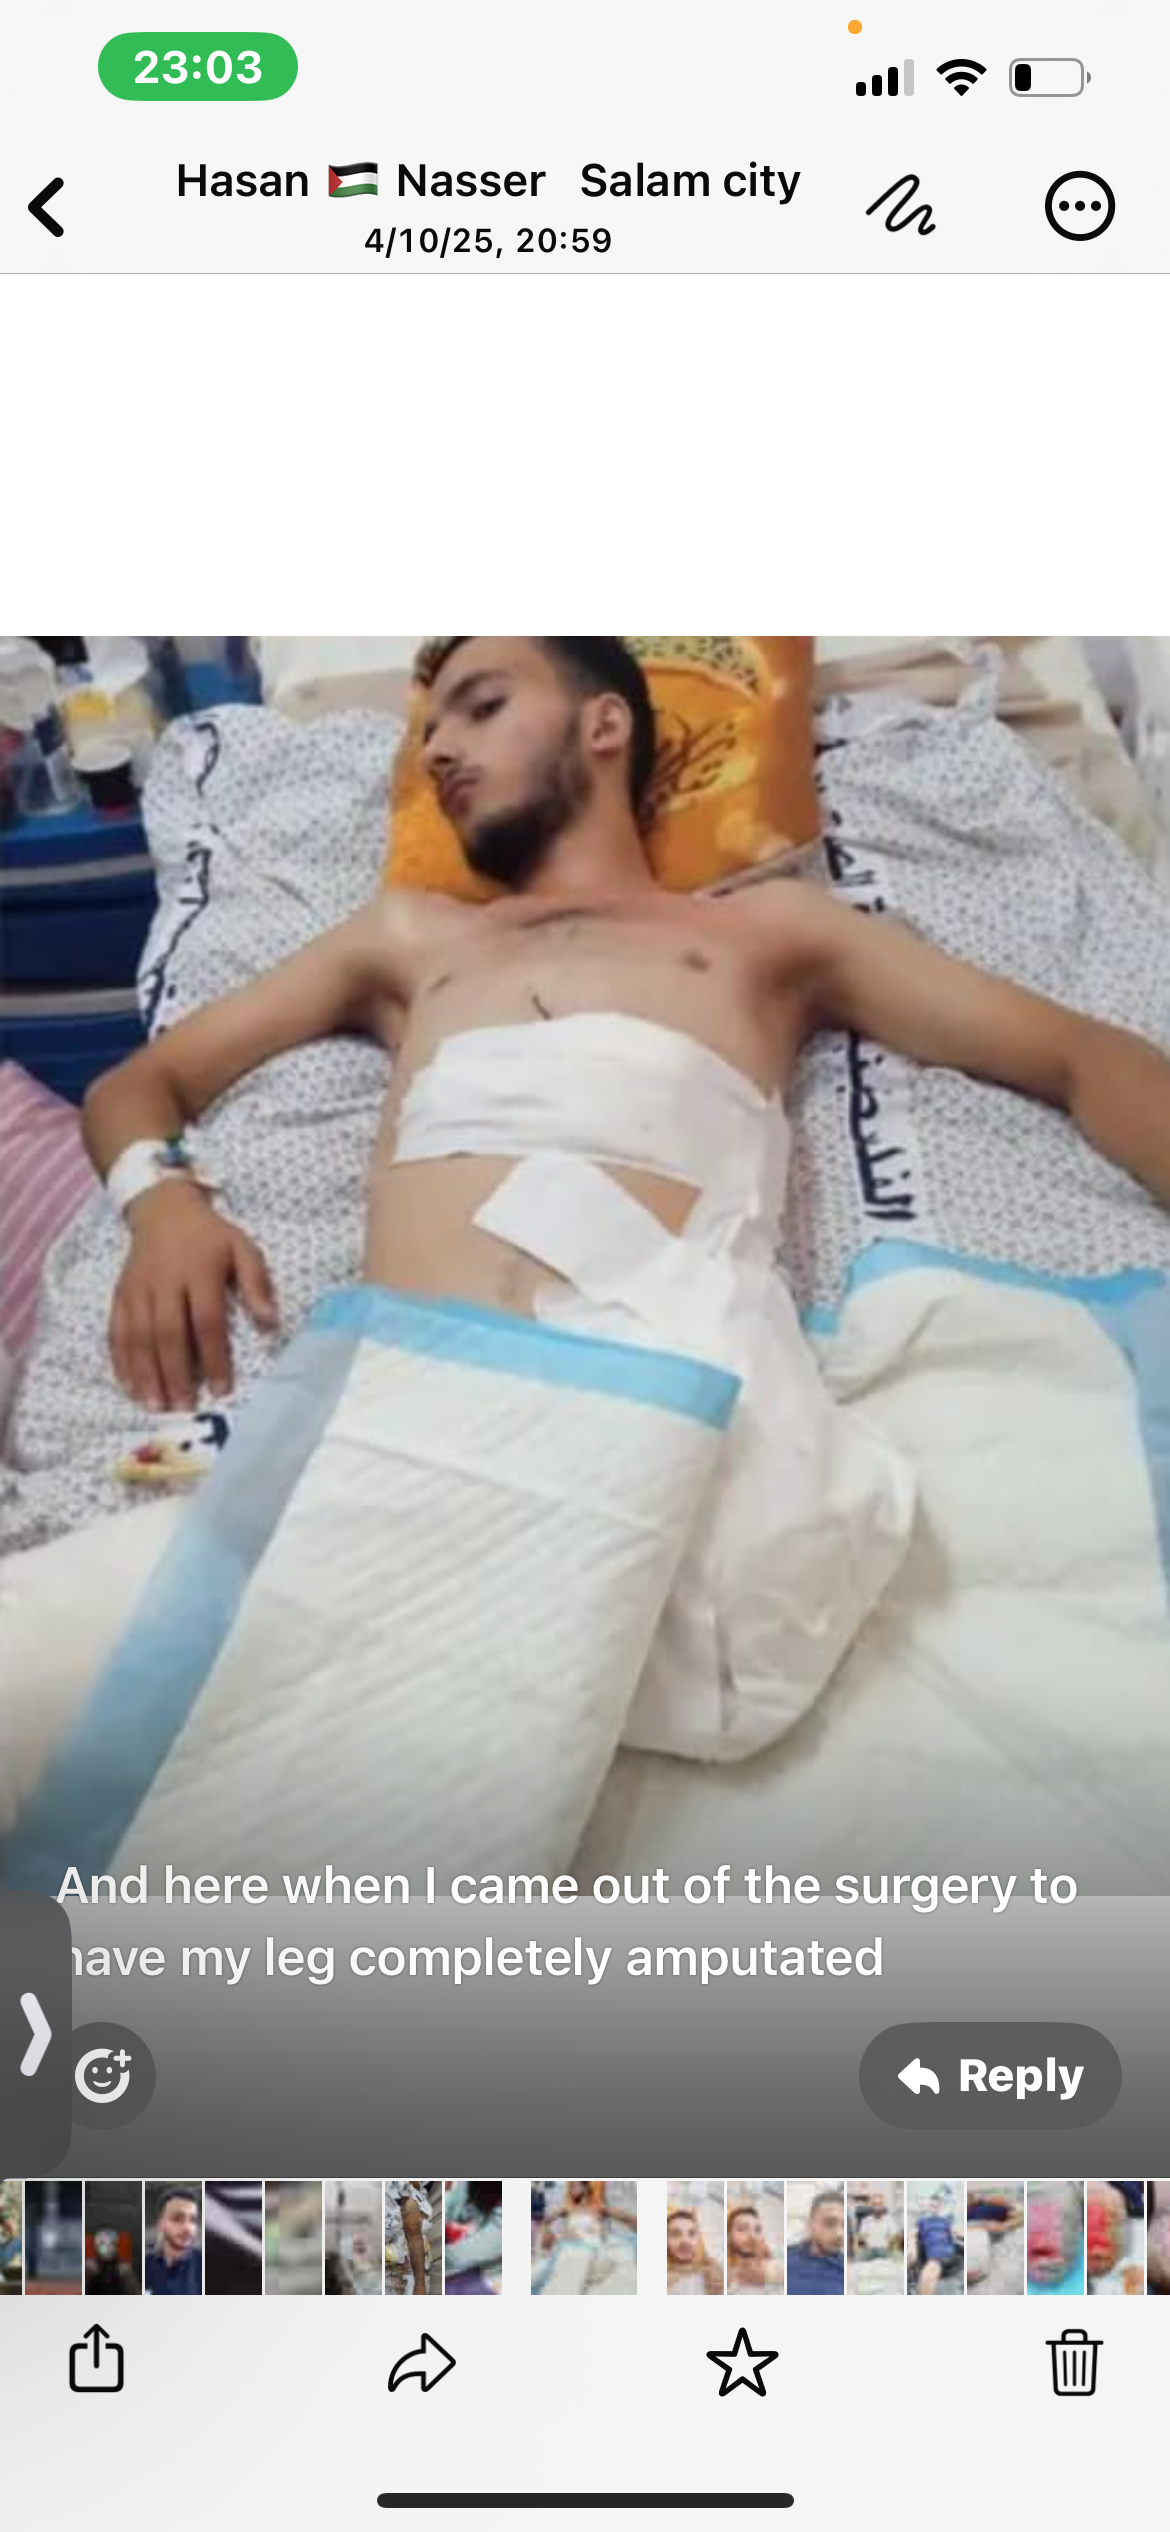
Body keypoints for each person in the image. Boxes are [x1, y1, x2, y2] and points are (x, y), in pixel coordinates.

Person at [86, 632, 1170, 1458]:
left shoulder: (766, 932)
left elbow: (1080, 1057)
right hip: (411, 1423)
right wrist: (163, 1204)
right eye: (431, 733)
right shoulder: (411, 939)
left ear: (604, 726)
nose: (442, 749)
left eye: (482, 707)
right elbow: (140, 1085)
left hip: (675, 1416)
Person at [144, 2187, 202, 2295]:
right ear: (161, 2224)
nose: (188, 2228)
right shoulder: (145, 2264)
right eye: (177, 2218)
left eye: (193, 2220)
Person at [786, 2191, 845, 2295]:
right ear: (810, 2224)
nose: (840, 2233)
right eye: (830, 2223)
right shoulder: (788, 2258)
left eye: (844, 2225)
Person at [665, 2200, 723, 2296]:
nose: (684, 2241)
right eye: (675, 2234)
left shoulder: (714, 2274)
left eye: (691, 2234)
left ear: (699, 2240)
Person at [726, 2200, 783, 2294]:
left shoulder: (775, 2269)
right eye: (742, 2229)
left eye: (757, 2230)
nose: (752, 2236)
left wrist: (771, 2276)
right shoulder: (725, 2277)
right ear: (729, 2236)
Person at [913, 2191, 963, 2296]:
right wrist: (913, 2248)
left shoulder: (946, 2221)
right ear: (928, 2207)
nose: (934, 2208)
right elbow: (913, 2235)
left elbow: (955, 2235)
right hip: (933, 2252)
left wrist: (959, 2235)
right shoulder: (922, 2222)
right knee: (929, 2272)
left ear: (940, 2207)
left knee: (930, 2270)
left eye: (936, 2206)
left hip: (946, 2251)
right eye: (932, 2206)